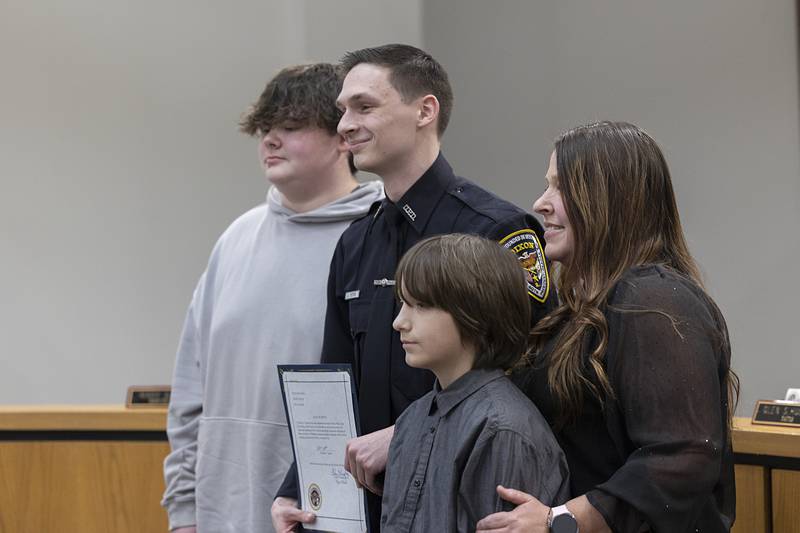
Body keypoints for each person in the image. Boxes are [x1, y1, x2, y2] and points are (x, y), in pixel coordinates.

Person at [272, 44, 556, 532]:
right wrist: (299, 487)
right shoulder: (355, 243)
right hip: (365, 509)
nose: (344, 125)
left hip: (460, 499)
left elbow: (534, 370)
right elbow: (333, 384)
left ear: (425, 110)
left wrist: (406, 435)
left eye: (364, 107)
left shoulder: (495, 229)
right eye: (342, 111)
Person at [476, 121, 739, 533]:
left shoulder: (653, 300)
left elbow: (683, 457)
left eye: (560, 187)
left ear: (609, 200)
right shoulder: (580, 309)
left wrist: (558, 521)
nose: (541, 203)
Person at [161, 63, 384, 533]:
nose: (269, 140)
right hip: (221, 513)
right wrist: (184, 510)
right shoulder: (236, 238)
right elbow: (190, 391)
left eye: (290, 126)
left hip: (323, 514)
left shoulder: (380, 237)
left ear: (343, 137)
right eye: (265, 128)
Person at [381, 234, 569, 532]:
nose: (400, 322)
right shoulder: (411, 420)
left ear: (475, 314)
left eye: (420, 305)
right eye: (403, 303)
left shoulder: (502, 431)